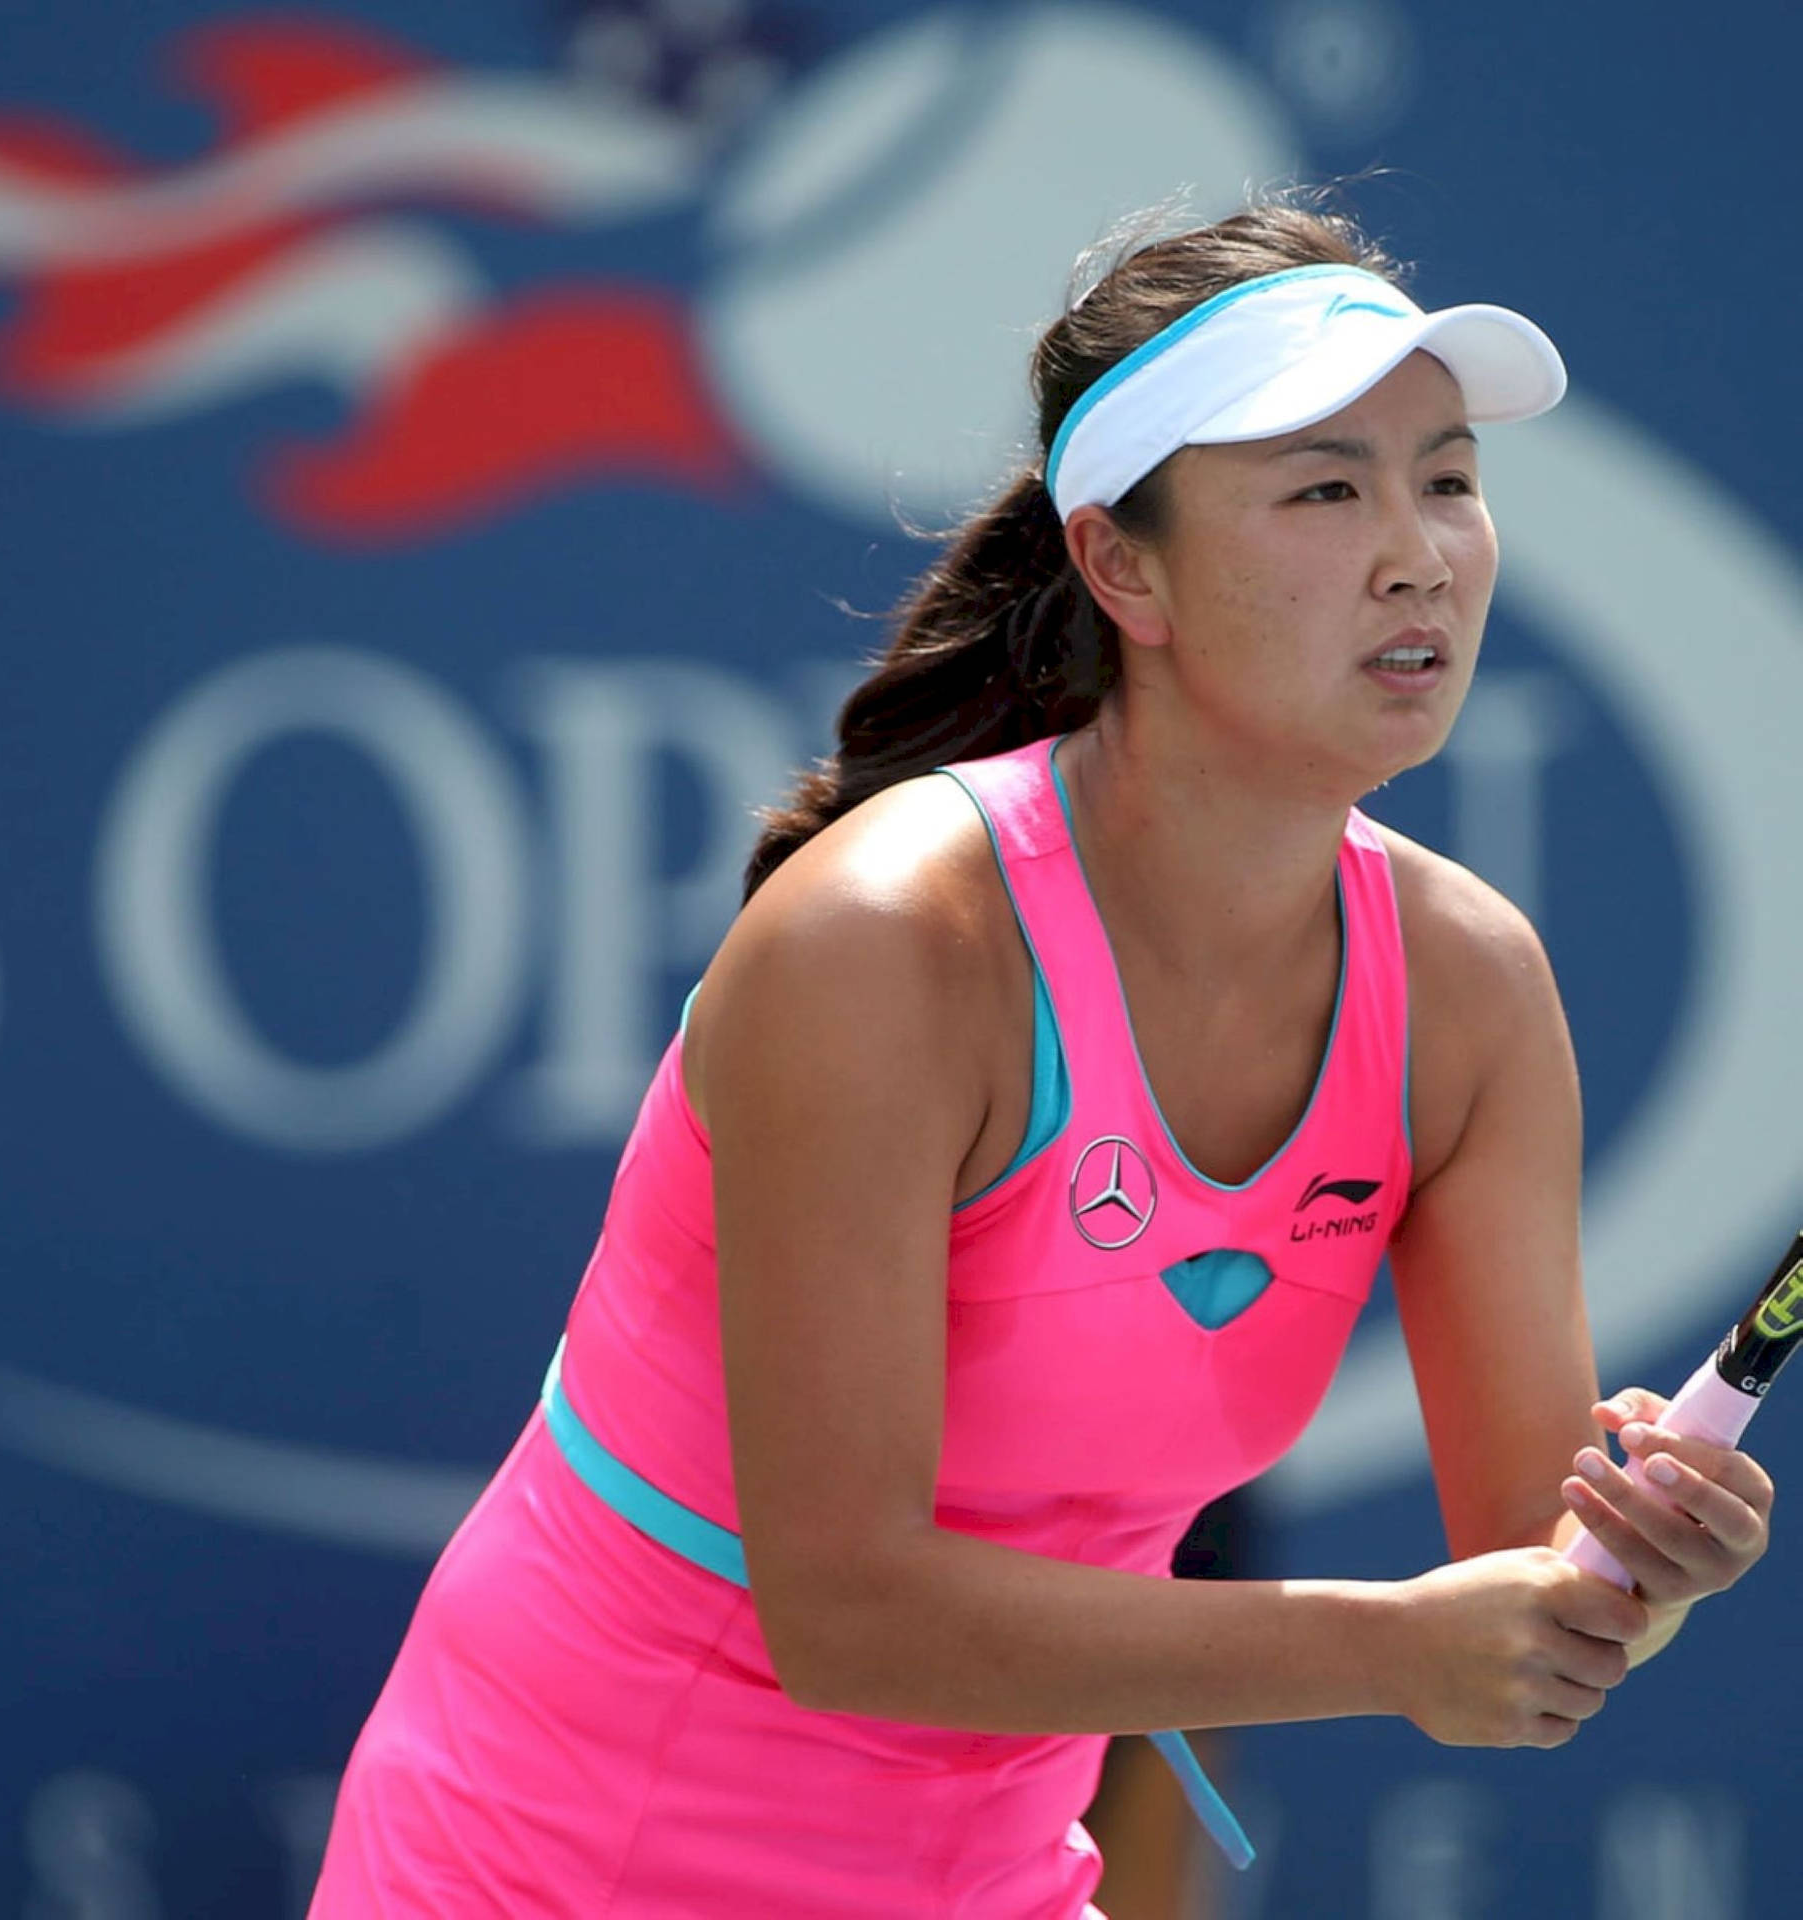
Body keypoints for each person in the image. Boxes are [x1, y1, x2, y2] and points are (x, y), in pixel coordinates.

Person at [309, 197, 1777, 1917]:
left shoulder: (1470, 993)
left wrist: (1641, 1570)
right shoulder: (883, 946)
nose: (1419, 553)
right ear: (1120, 565)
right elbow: (846, 1609)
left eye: (1447, 478)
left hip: (990, 1877)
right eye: (1326, 487)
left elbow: (1530, 1578)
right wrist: (1393, 1649)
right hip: (555, 1863)